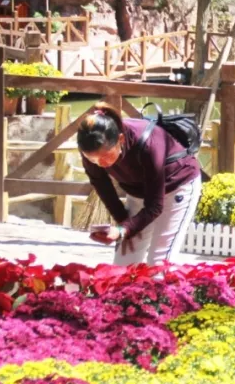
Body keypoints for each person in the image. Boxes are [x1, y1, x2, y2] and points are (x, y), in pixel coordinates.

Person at [79, 103, 202, 265]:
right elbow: (101, 183)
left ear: (120, 140)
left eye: (106, 157)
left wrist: (124, 229)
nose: (100, 163)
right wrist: (123, 226)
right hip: (138, 191)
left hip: (177, 186)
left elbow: (154, 206)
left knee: (159, 261)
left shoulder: (148, 145)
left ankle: (166, 291)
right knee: (124, 261)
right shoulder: (91, 147)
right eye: (92, 159)